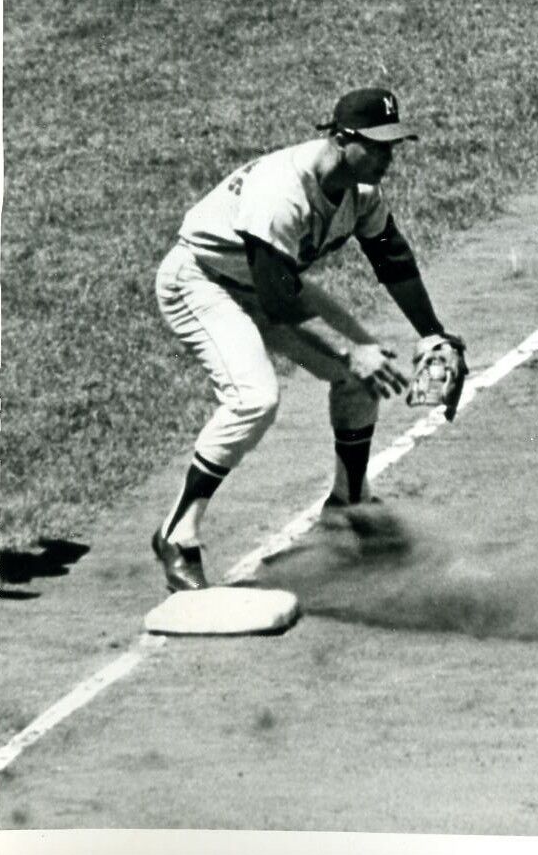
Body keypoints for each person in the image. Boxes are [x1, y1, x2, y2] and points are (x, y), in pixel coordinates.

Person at [151, 87, 463, 592]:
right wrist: (347, 351)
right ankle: (177, 533)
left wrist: (433, 334)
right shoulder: (281, 194)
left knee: (368, 372)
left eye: (393, 144)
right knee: (254, 399)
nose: (388, 156)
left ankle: (350, 506)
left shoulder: (360, 192)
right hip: (202, 282)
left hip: (268, 280)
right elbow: (277, 305)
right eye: (378, 145)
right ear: (342, 139)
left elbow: (393, 258)